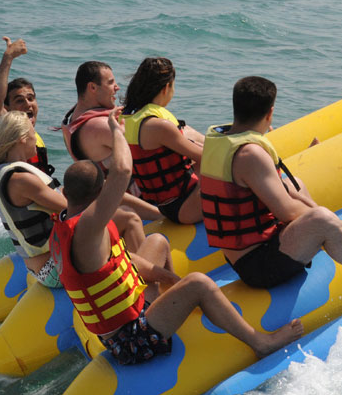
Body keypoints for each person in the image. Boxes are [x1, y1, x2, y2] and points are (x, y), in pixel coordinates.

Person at [52, 108, 302, 365]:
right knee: (199, 283)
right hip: (132, 339)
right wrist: (117, 132)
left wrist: (166, 277)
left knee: (157, 242)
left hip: (132, 315)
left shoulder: (64, 225)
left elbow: (118, 264)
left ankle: (171, 309)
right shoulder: (89, 227)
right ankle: (261, 343)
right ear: (97, 195)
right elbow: (123, 172)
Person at [200, 76, 342, 289]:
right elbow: (286, 212)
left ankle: (331, 235)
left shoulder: (220, 141)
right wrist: (320, 215)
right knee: (321, 218)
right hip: (260, 266)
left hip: (243, 256)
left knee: (296, 184)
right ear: (270, 113)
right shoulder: (250, 153)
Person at [0, 111, 152, 287]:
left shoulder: (4, 173)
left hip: (44, 264)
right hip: (53, 269)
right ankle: (145, 286)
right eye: (32, 133)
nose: (35, 139)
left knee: (109, 200)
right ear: (21, 139)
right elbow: (74, 209)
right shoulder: (20, 180)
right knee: (128, 217)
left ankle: (155, 221)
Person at [61, 61, 160, 221]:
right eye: (111, 82)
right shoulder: (98, 126)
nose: (117, 87)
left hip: (105, 198)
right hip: (133, 200)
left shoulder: (70, 120)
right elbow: (148, 148)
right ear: (92, 88)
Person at [120, 57, 204, 224]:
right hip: (185, 208)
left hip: (166, 206)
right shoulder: (159, 126)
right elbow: (208, 158)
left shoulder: (127, 120)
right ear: (166, 87)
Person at [0, 36, 56, 215]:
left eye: (31, 98)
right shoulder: (3, 130)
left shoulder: (33, 136)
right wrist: (8, 58)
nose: (28, 104)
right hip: (20, 215)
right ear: (6, 109)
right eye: (19, 100)